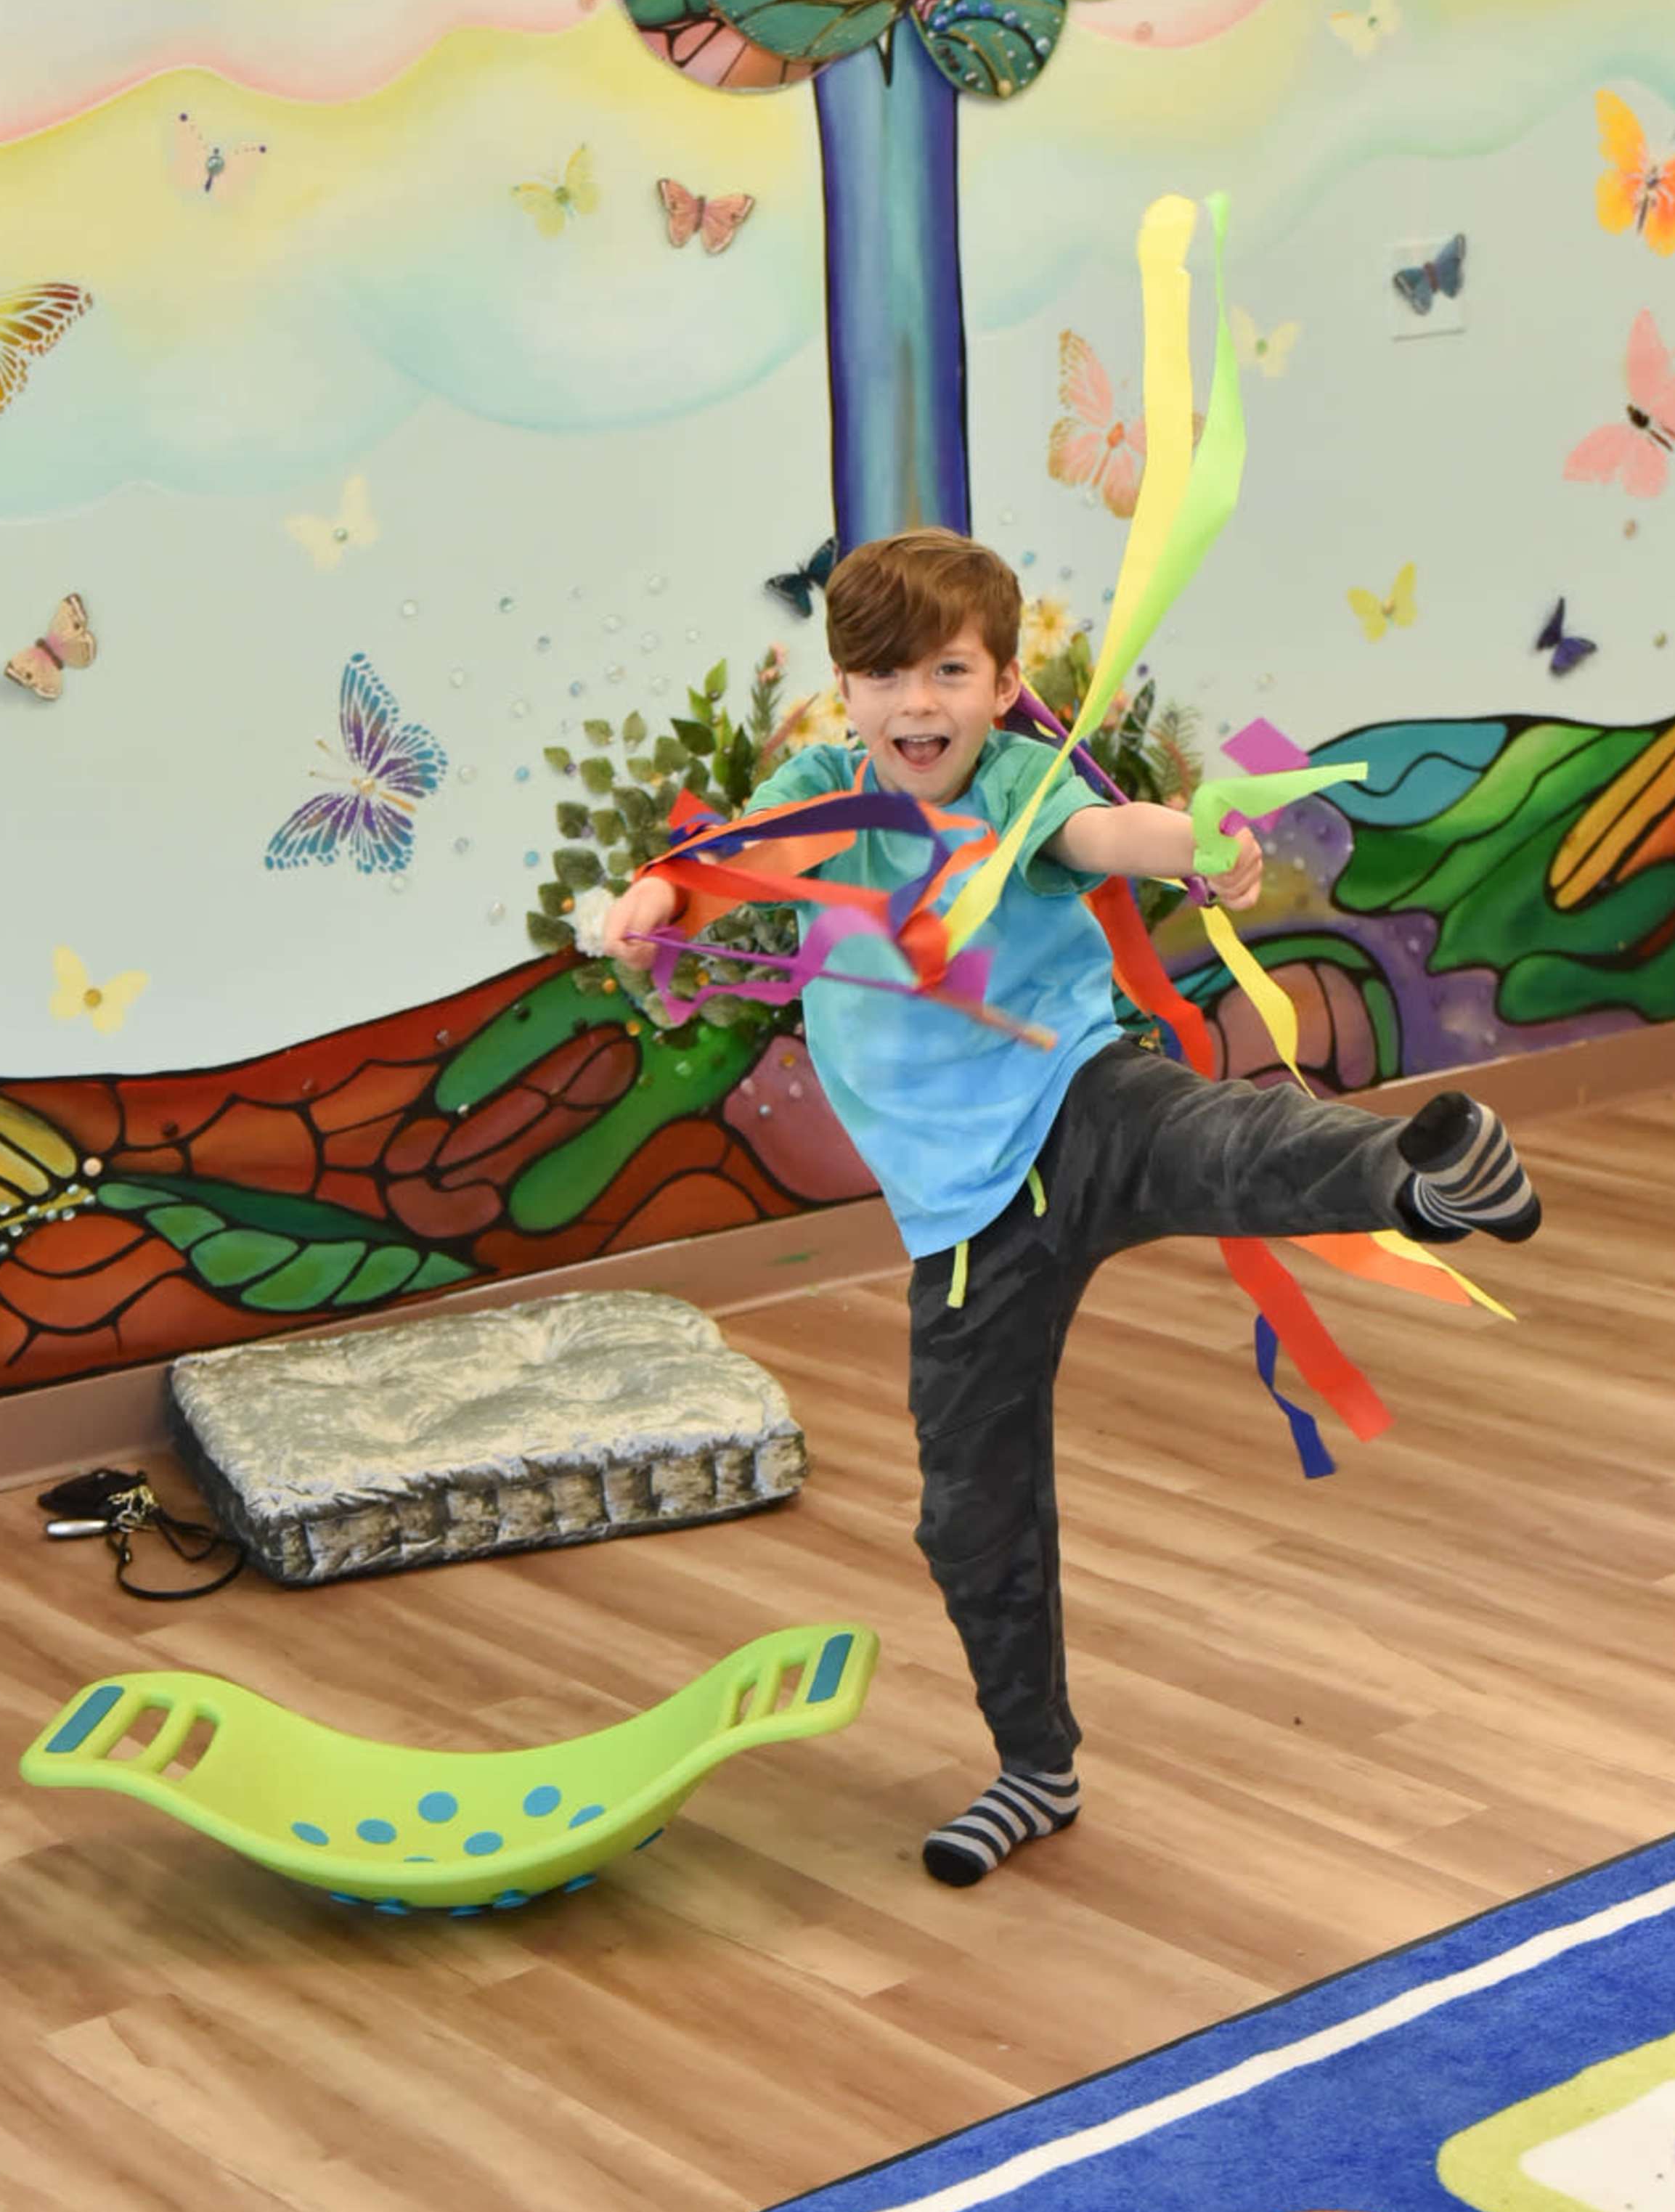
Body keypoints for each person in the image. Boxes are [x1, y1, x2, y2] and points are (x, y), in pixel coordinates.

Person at [595, 530, 1539, 1889]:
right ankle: (1035, 1767)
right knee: (967, 1513)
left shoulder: (1019, 785)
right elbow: (716, 862)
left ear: (1001, 684)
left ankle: (1427, 1179)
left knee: (1229, 1142)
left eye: (949, 672)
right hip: (962, 1223)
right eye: (884, 676)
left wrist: (1196, 847)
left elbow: (1107, 833)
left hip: (1079, 1103)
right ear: (844, 691)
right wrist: (651, 896)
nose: (917, 704)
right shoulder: (817, 793)